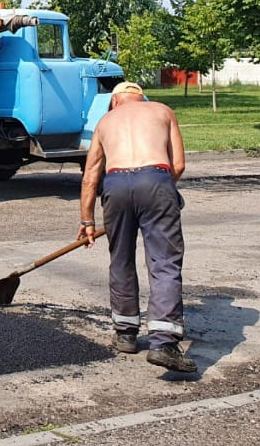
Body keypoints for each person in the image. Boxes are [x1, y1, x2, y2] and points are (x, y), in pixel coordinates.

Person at [79, 80, 195, 373]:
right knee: (164, 262)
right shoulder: (162, 110)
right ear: (140, 98)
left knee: (120, 259)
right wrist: (163, 193)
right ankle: (163, 343)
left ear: (115, 101)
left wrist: (87, 221)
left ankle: (126, 333)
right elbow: (178, 165)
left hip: (115, 185)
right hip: (156, 178)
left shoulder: (106, 121)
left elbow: (91, 176)